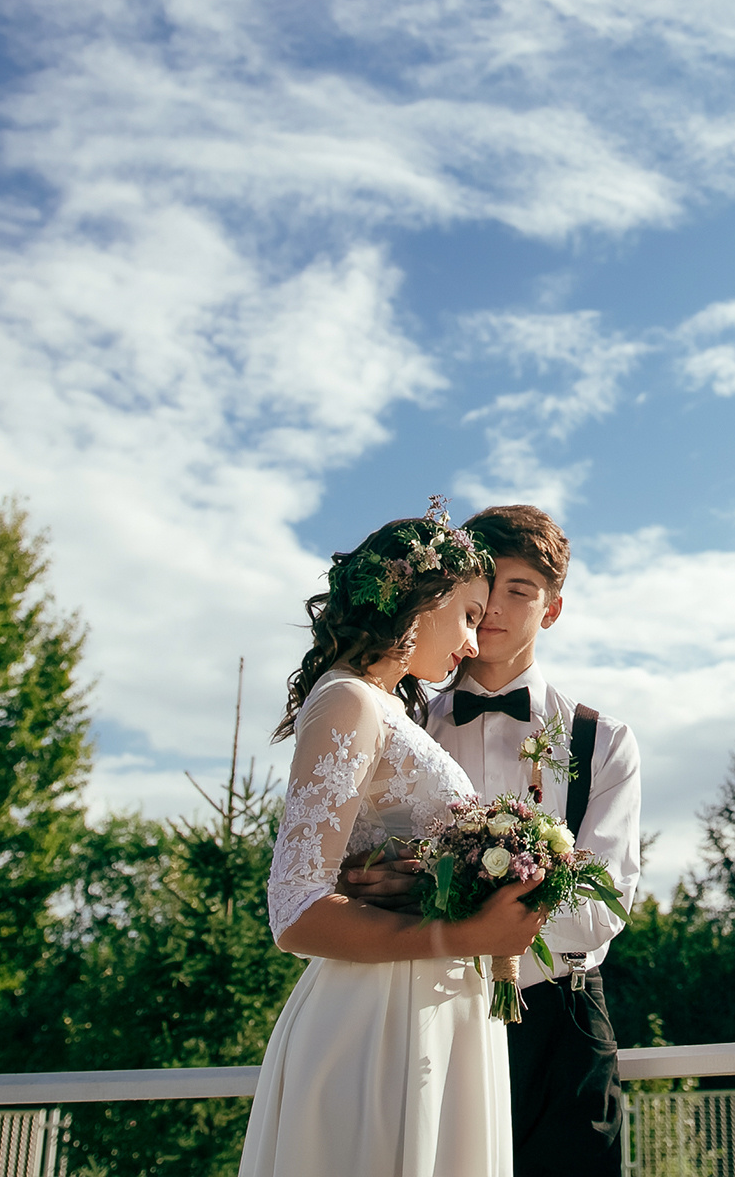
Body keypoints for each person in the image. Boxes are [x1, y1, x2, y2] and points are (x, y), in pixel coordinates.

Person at [238, 506, 555, 1177]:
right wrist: (459, 936)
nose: (473, 642)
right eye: (469, 614)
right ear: (425, 598)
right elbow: (293, 910)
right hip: (380, 1024)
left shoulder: (382, 705)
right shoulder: (349, 701)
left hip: (430, 1015)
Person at [342, 504, 642, 1177]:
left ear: (553, 610)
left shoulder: (604, 741)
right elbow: (355, 873)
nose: (498, 610)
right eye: (488, 588)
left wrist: (441, 892)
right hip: (425, 1013)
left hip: (561, 1025)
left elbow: (603, 909)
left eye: (522, 590)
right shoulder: (401, 725)